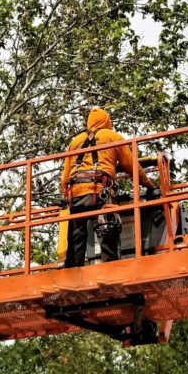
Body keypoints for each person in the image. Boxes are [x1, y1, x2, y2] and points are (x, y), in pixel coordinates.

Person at [60, 107, 157, 268]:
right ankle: (110, 269)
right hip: (100, 192)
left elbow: (65, 177)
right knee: (107, 229)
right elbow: (130, 165)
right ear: (107, 121)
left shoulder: (75, 141)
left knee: (76, 235)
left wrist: (65, 195)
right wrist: (149, 185)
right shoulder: (113, 137)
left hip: (76, 194)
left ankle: (72, 272)